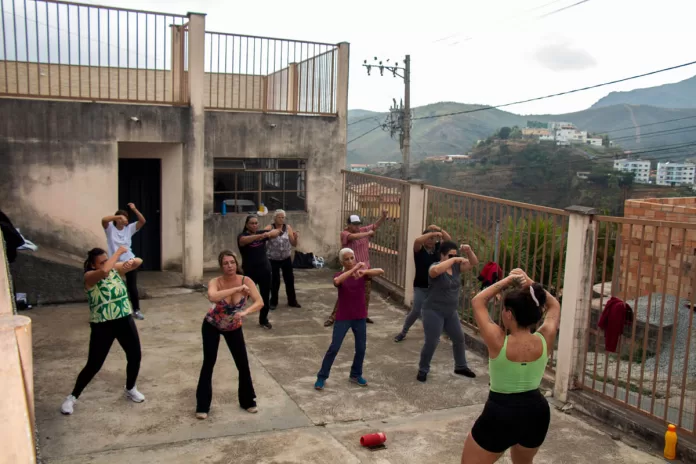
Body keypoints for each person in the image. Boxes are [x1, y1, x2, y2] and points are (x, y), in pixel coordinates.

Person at [460, 268, 560, 463]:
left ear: (509, 314)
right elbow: (554, 304)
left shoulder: (499, 341)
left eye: (504, 309)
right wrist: (529, 283)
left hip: (501, 412)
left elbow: (478, 301)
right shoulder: (545, 337)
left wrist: (508, 280)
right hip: (537, 412)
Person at [60, 246, 144, 415]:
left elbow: (138, 262)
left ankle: (130, 388)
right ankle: (72, 397)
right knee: (94, 364)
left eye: (107, 260)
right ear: (93, 265)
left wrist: (123, 262)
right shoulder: (90, 277)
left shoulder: (114, 270)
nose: (107, 264)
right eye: (102, 262)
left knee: (135, 355)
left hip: (124, 320)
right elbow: (104, 271)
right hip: (103, 325)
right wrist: (117, 255)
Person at [195, 250, 264, 419]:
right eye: (225, 263)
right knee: (208, 363)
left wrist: (246, 312)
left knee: (242, 364)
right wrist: (237, 289)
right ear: (221, 266)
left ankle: (248, 401)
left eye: (232, 262)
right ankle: (202, 406)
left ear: (236, 263)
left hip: (233, 326)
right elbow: (212, 296)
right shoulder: (216, 281)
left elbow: (260, 302)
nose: (229, 266)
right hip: (212, 325)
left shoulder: (246, 280)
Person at [314, 248, 384, 390]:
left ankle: (355, 374)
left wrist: (364, 272)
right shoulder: (340, 275)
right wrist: (353, 270)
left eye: (352, 258)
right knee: (334, 347)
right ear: (342, 262)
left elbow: (381, 271)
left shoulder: (361, 274)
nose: (351, 261)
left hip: (359, 317)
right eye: (347, 259)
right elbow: (337, 281)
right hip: (343, 317)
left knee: (361, 348)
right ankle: (322, 377)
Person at [417, 241, 479, 382]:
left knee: (459, 338)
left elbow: (473, 263)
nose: (454, 258)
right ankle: (423, 369)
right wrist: (454, 259)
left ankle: (461, 366)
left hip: (450, 312)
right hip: (433, 311)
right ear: (442, 255)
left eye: (455, 255)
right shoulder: (435, 267)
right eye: (450, 255)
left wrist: (468, 251)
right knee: (432, 341)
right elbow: (435, 272)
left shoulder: (456, 267)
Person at [324, 211, 388, 327]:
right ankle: (333, 317)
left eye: (358, 224)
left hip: (365, 269)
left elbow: (375, 226)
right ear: (348, 224)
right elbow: (352, 237)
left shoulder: (363, 230)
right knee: (344, 295)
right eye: (354, 224)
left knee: (366, 294)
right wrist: (368, 233)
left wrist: (383, 217)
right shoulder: (345, 233)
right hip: (350, 271)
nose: (357, 226)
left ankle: (364, 315)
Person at [394, 224, 452, 342]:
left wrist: (438, 229)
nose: (430, 241)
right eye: (428, 238)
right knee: (416, 310)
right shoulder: (419, 250)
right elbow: (417, 241)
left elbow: (449, 240)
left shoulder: (437, 249)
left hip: (435, 287)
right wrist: (431, 234)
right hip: (420, 286)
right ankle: (403, 332)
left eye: (432, 239)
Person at [102, 203, 147, 320]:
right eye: (121, 218)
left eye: (125, 218)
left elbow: (142, 221)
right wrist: (117, 217)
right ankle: (109, 311)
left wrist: (134, 209)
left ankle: (136, 310)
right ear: (116, 220)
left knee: (132, 286)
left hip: (129, 260)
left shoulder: (129, 229)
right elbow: (104, 220)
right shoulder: (110, 228)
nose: (124, 220)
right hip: (114, 263)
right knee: (111, 287)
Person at [238, 214, 279, 329]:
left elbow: (276, 231)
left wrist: (268, 234)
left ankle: (263, 319)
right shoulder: (242, 236)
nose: (255, 225)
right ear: (246, 225)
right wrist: (261, 235)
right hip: (250, 272)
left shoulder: (261, 233)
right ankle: (236, 315)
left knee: (265, 296)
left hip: (265, 270)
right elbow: (243, 241)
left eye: (256, 223)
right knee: (245, 295)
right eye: (252, 223)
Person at [264, 209, 301, 310]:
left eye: (283, 217)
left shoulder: (288, 228)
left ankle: (292, 301)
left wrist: (296, 237)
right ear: (275, 218)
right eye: (279, 217)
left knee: (289, 280)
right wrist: (270, 234)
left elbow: (293, 244)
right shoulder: (270, 227)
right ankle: (273, 302)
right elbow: (262, 238)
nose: (281, 219)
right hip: (273, 259)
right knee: (275, 281)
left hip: (286, 258)